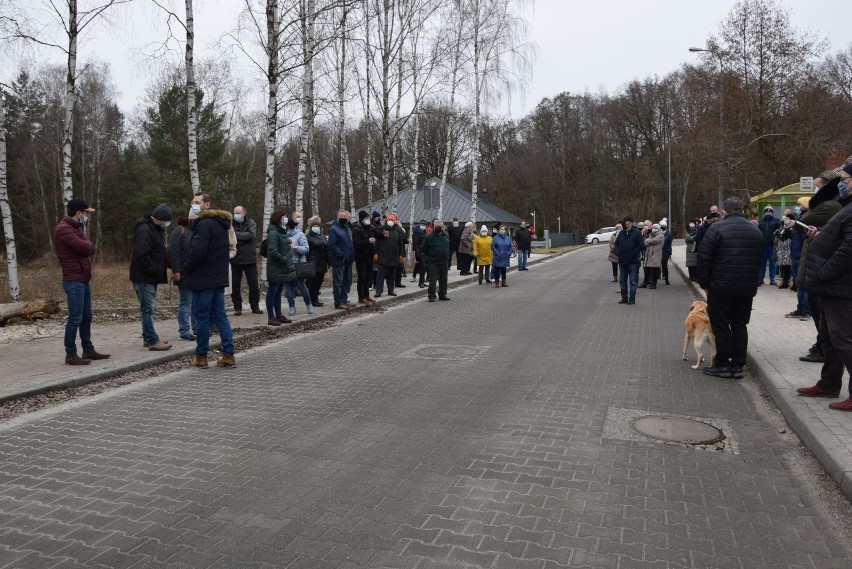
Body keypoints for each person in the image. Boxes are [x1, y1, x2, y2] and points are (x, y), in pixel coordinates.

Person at [796, 163, 852, 411]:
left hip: (840, 286)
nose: (842, 183)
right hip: (830, 286)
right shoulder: (846, 205)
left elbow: (848, 249)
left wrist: (823, 272)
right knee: (829, 338)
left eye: (845, 178)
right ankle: (828, 384)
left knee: (843, 339)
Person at [696, 196, 763, 379]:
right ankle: (738, 365)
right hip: (745, 289)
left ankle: (723, 364)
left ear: (724, 211)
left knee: (721, 325)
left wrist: (705, 284)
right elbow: (759, 260)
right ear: (742, 210)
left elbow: (704, 258)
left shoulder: (717, 228)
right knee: (740, 325)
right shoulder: (755, 230)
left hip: (720, 287)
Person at [54, 197, 110, 365]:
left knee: (86, 316)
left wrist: (87, 242)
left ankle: (88, 349)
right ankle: (70, 353)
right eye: (86, 213)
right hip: (73, 280)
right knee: (75, 318)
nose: (87, 216)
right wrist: (88, 242)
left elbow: (88, 247)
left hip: (82, 279)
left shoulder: (75, 228)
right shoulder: (65, 230)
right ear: (79, 213)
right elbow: (88, 248)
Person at [182, 203, 236, 368]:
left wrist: (186, 268)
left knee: (202, 318)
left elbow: (198, 251)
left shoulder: (204, 225)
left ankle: (201, 356)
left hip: (203, 279)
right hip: (218, 278)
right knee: (221, 317)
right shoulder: (222, 225)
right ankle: (228, 354)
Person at [797, 172, 842, 362]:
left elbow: (805, 221)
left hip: (821, 267)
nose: (815, 190)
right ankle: (823, 348)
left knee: (822, 315)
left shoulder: (830, 205)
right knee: (821, 315)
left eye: (818, 186)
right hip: (818, 263)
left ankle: (824, 349)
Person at [129, 203, 173, 351]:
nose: (167, 223)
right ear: (160, 218)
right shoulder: (145, 229)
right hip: (144, 277)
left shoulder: (154, 229)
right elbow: (141, 254)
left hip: (148, 276)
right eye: (167, 220)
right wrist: (154, 269)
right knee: (148, 309)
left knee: (148, 308)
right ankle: (153, 340)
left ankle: (148, 337)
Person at [230, 206, 262, 316]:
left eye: (238, 213)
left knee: (253, 284)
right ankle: (237, 307)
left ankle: (255, 306)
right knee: (235, 285)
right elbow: (229, 237)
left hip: (250, 259)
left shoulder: (251, 222)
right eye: (234, 213)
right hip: (235, 258)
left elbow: (251, 236)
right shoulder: (230, 223)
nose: (236, 215)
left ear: (244, 213)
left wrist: (236, 236)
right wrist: (241, 238)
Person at [265, 211, 295, 326]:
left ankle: (279, 315)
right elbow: (272, 251)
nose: (285, 219)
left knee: (278, 293)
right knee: (272, 292)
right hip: (276, 267)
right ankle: (271, 317)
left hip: (282, 268)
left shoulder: (282, 231)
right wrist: (283, 260)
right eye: (284, 217)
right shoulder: (273, 233)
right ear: (278, 219)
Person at [169, 215, 197, 341]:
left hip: (195, 272)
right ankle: (184, 330)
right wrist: (176, 270)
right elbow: (174, 252)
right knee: (186, 301)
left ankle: (196, 328)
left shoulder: (195, 231)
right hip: (184, 272)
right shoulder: (179, 231)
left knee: (195, 302)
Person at [284, 211, 313, 316]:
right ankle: (291, 306)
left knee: (301, 285)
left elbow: (306, 249)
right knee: (287, 287)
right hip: (286, 264)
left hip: (298, 264)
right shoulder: (282, 235)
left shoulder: (300, 234)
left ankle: (309, 304)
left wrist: (296, 248)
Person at [328, 209, 355, 309]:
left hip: (349, 260)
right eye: (342, 217)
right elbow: (332, 245)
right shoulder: (333, 229)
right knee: (338, 282)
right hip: (339, 260)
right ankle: (338, 302)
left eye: (345, 217)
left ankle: (344, 299)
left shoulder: (347, 228)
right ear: (338, 217)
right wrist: (341, 255)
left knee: (347, 281)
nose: (344, 218)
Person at [614, 216, 644, 305]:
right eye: (624, 224)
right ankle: (624, 298)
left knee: (633, 281)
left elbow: (641, 244)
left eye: (626, 223)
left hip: (633, 261)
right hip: (622, 261)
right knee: (623, 281)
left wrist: (634, 253)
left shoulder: (637, 233)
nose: (625, 225)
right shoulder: (622, 233)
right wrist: (618, 252)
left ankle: (632, 299)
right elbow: (616, 244)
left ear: (631, 223)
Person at [374, 214, 405, 298]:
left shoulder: (398, 230)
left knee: (392, 275)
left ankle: (391, 290)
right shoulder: (381, 229)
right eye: (389, 219)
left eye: (392, 220)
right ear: (386, 220)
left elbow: (401, 242)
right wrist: (375, 253)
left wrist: (402, 254)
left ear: (395, 221)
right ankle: (378, 291)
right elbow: (376, 242)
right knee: (380, 275)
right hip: (383, 255)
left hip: (394, 256)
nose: (390, 221)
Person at [421, 219, 451, 301]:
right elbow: (423, 248)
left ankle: (442, 294)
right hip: (433, 262)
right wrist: (427, 258)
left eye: (439, 226)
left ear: (442, 226)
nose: (438, 227)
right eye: (436, 226)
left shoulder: (446, 235)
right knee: (433, 280)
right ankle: (431, 295)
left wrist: (447, 256)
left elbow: (448, 246)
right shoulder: (429, 237)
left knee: (444, 279)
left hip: (444, 261)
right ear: (434, 226)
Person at [352, 211, 377, 304]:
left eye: (368, 218)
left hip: (369, 256)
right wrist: (368, 241)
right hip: (361, 256)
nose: (368, 220)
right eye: (366, 218)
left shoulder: (369, 228)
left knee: (368, 277)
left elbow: (376, 236)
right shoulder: (357, 229)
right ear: (362, 219)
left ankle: (367, 295)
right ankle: (361, 297)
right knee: (362, 277)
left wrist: (383, 234)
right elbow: (357, 243)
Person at [306, 216, 330, 307]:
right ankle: (312, 299)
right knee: (313, 282)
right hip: (313, 263)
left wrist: (329, 261)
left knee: (319, 281)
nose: (316, 227)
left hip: (322, 262)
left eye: (317, 226)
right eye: (314, 226)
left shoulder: (322, 237)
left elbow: (327, 249)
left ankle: (315, 298)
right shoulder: (308, 237)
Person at [758, 205, 781, 285]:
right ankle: (761, 279)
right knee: (762, 264)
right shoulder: (760, 221)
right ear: (764, 213)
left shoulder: (776, 221)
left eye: (770, 212)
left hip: (772, 246)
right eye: (766, 212)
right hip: (763, 246)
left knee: (773, 264)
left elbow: (780, 232)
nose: (768, 213)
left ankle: (772, 279)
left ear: (772, 213)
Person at [640, 224, 664, 289]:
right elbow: (646, 242)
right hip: (649, 255)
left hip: (655, 255)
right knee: (646, 269)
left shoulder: (660, 235)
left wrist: (648, 241)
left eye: (655, 228)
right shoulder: (651, 234)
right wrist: (648, 241)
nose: (653, 229)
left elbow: (653, 241)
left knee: (653, 270)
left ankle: (653, 284)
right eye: (653, 228)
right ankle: (645, 283)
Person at [774, 215, 794, 289]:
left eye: (787, 218)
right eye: (785, 218)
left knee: (788, 267)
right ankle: (784, 282)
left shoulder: (792, 227)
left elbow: (791, 237)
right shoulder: (782, 226)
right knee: (782, 266)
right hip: (781, 249)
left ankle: (788, 282)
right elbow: (780, 236)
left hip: (789, 249)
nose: (785, 219)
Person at [411, 219, 427, 287]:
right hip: (420, 252)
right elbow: (416, 244)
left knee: (424, 267)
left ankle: (422, 281)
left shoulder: (423, 231)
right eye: (422, 225)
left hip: (424, 252)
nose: (423, 226)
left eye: (425, 225)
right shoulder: (416, 232)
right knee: (422, 267)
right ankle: (421, 283)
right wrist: (417, 253)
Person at [660, 219, 672, 285]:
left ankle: (666, 279)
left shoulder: (668, 234)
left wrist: (670, 252)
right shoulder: (658, 233)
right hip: (659, 252)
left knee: (664, 266)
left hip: (665, 252)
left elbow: (669, 244)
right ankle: (656, 276)